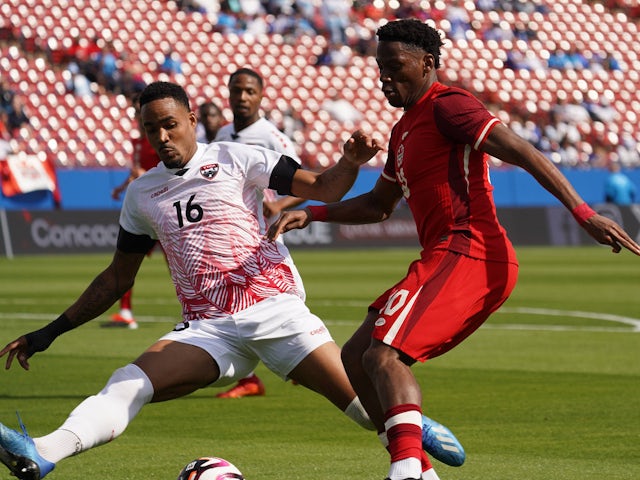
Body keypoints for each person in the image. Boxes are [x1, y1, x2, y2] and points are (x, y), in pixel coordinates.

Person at [0, 81, 463, 480]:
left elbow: (323, 187)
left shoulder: (238, 156)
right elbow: (119, 277)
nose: (162, 136)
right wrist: (49, 332)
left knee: (367, 412)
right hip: (207, 329)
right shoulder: (141, 194)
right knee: (127, 382)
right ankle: (41, 452)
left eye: (170, 124)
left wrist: (350, 161)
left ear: (191, 118)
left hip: (273, 309)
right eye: (151, 129)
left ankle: (409, 428)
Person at [267, 19, 640, 480]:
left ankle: (405, 470)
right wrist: (315, 214)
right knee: (356, 357)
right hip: (445, 255)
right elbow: (379, 206)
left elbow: (521, 150)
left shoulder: (450, 105)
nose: (385, 77)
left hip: (473, 251)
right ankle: (417, 465)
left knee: (383, 356)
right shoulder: (403, 132)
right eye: (380, 69)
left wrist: (583, 213)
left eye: (395, 67)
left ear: (427, 63)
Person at [212, 68, 306, 399]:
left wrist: (279, 206)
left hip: (263, 238)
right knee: (231, 304)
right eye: (237, 91)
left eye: (250, 91)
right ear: (229, 93)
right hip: (228, 237)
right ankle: (253, 377)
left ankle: (304, 357)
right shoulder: (222, 133)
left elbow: (305, 181)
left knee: (280, 300)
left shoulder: (272, 137)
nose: (242, 97)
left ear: (261, 96)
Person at [108, 94, 162, 329]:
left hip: (165, 209)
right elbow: (136, 172)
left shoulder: (159, 139)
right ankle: (126, 312)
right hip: (145, 211)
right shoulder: (137, 142)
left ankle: (200, 311)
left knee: (180, 265)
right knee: (126, 262)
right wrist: (121, 187)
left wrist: (145, 175)